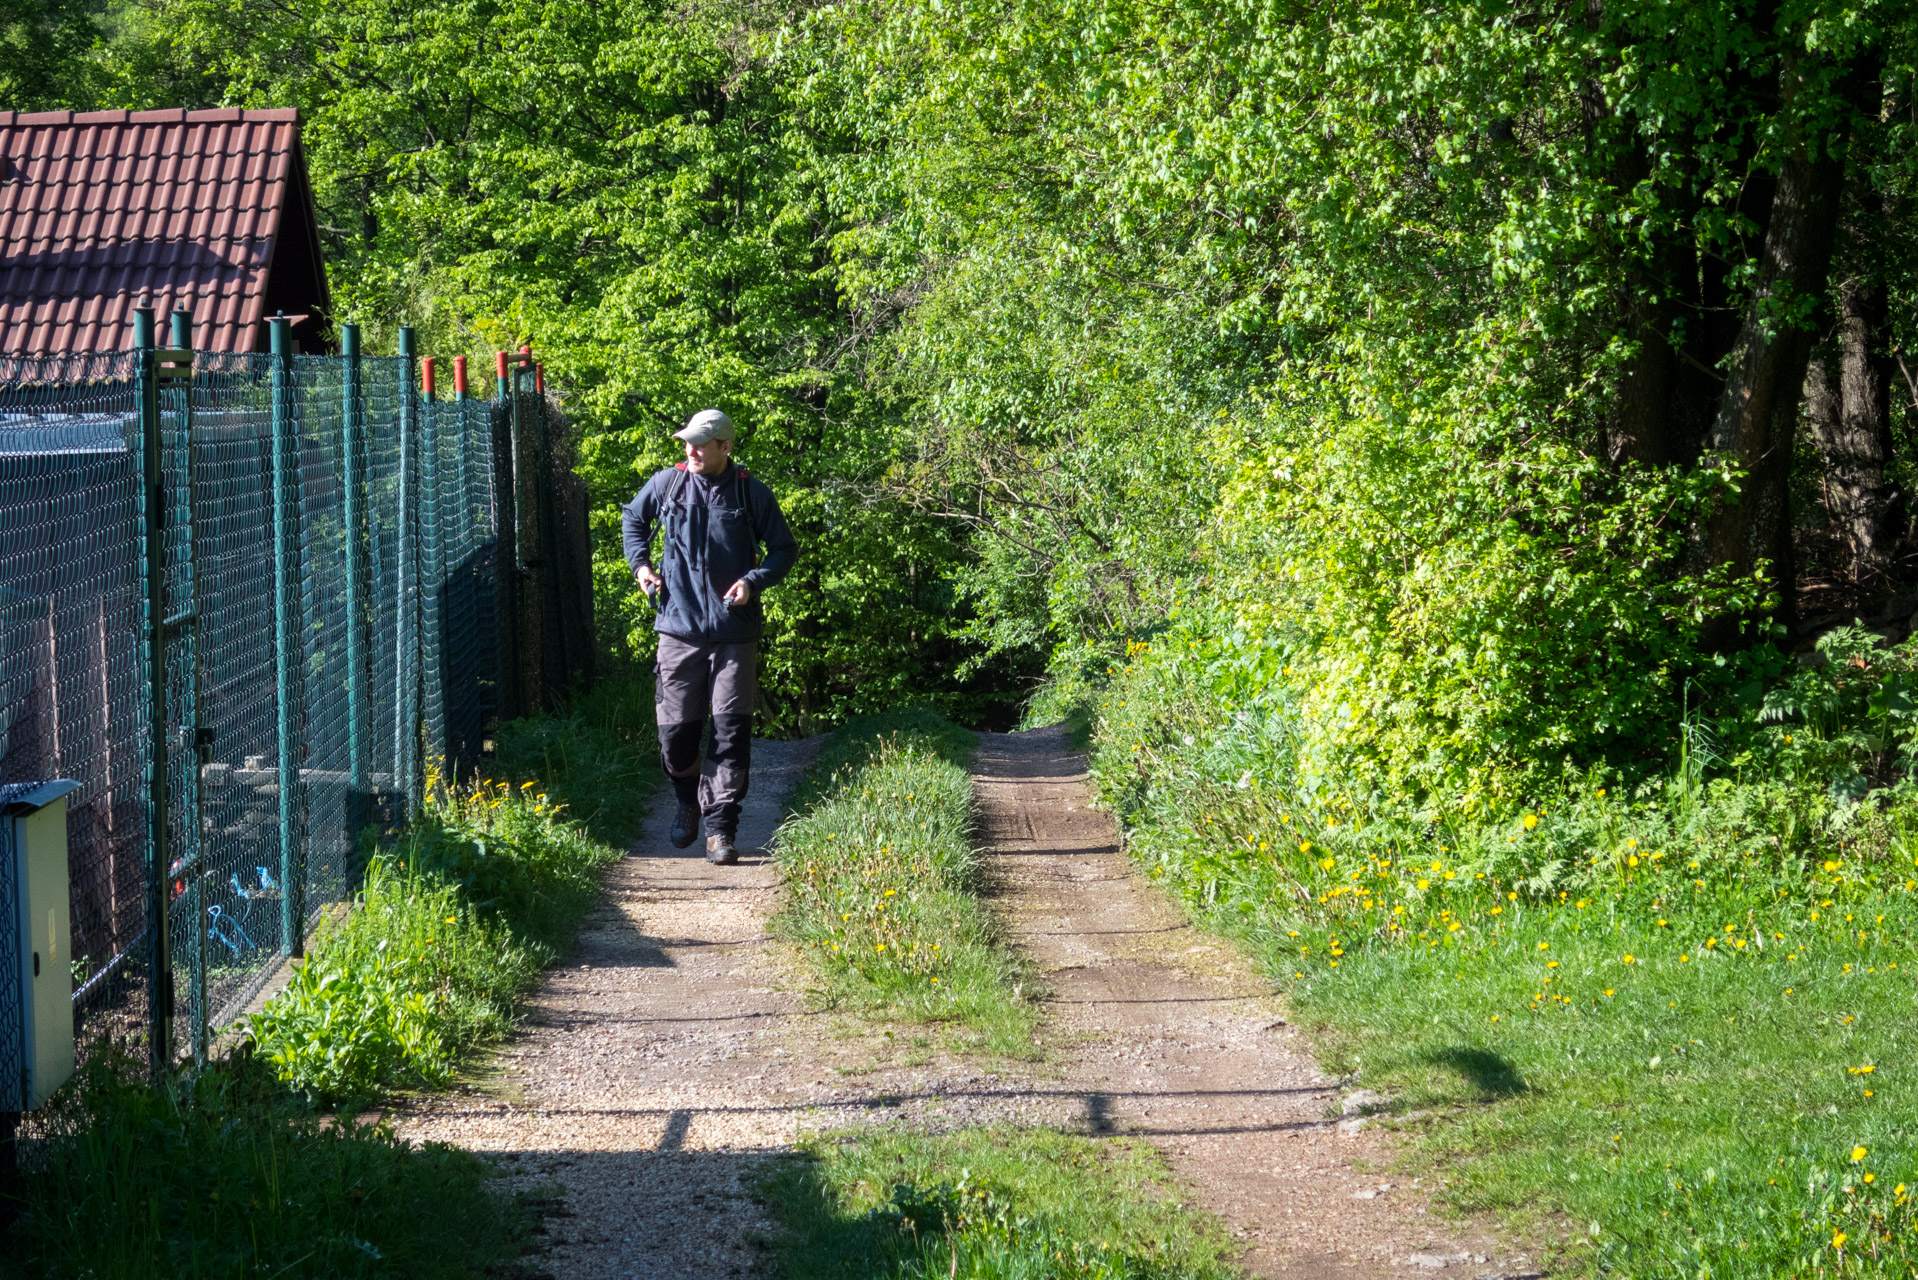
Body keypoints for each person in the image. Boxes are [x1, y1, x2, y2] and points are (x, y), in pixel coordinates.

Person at [620, 409, 799, 864]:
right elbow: (632, 522)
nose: (691, 450)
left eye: (701, 443)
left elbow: (783, 549)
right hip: (677, 630)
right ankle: (688, 797)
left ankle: (720, 829)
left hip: (734, 634)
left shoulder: (749, 492)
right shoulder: (667, 484)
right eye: (687, 442)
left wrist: (753, 581)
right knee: (676, 739)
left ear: (726, 447)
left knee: (730, 731)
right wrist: (642, 567)